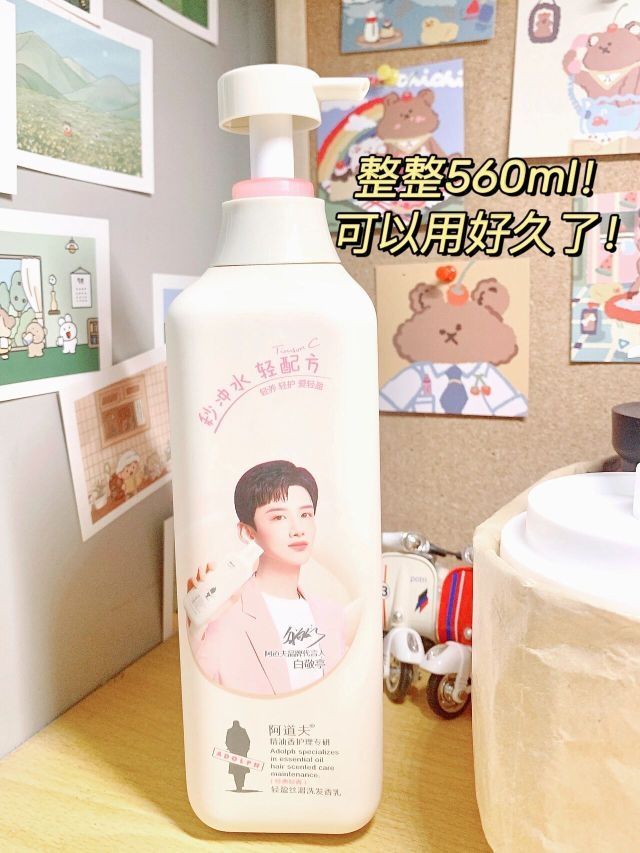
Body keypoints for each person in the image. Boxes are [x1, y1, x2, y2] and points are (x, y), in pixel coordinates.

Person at [189, 460, 347, 696]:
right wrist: (196, 628)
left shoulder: (332, 615)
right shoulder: (223, 615)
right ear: (247, 533)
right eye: (279, 517)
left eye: (305, 514)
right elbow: (199, 691)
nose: (298, 529)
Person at [225, 721, 251, 792]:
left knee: (236, 771)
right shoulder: (242, 730)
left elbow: (227, 741)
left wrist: (230, 748)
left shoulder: (230, 731)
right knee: (241, 770)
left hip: (235, 753)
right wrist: (246, 749)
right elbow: (248, 741)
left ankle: (238, 785)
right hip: (241, 753)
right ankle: (240, 784)